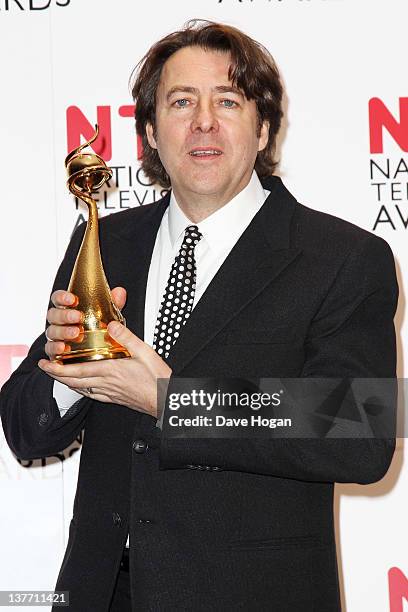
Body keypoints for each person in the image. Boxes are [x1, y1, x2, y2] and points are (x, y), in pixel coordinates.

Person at [0, 19, 398, 612]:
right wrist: (68, 373)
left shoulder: (341, 258)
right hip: (102, 591)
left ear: (263, 129)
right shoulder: (106, 244)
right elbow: (26, 428)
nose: (203, 121)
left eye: (228, 101)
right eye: (181, 101)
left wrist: (170, 399)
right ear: (152, 134)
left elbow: (360, 430)